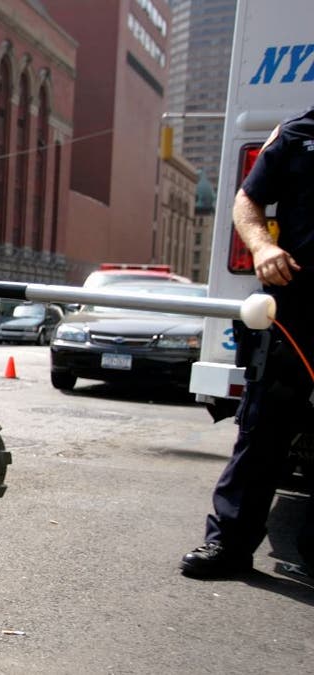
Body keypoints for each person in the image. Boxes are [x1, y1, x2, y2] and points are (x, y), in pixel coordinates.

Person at [180, 105, 314, 579]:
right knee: (263, 427)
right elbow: (247, 200)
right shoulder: (299, 133)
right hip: (294, 307)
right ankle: (229, 547)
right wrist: (261, 246)